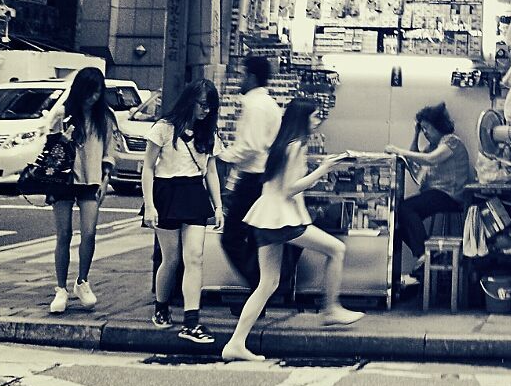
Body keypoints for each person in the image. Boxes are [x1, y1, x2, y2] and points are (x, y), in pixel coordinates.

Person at [222, 98, 363, 361]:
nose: (317, 120)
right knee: (336, 249)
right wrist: (323, 169)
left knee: (268, 283)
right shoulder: (296, 146)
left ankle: (236, 342)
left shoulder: (282, 144)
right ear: (302, 118)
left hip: (268, 217)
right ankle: (330, 308)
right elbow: (290, 188)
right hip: (282, 219)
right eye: (314, 116)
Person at [142, 80, 225, 345]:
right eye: (202, 104)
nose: (206, 111)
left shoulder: (208, 134)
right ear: (189, 100)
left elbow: (211, 172)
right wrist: (150, 205)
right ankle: (161, 305)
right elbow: (147, 167)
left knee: (195, 257)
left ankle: (191, 321)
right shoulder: (164, 129)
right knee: (171, 259)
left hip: (193, 194)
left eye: (211, 106)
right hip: (166, 192)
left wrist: (219, 206)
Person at [47, 67, 118, 314]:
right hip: (63, 180)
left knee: (89, 233)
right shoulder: (62, 113)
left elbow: (109, 152)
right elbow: (49, 149)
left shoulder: (105, 118)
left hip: (91, 179)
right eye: (89, 92)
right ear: (80, 90)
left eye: (97, 92)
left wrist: (105, 178)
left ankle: (82, 281)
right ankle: (60, 289)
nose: (93, 97)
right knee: (63, 234)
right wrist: (64, 138)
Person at [387, 103, 472, 280]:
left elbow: (431, 160)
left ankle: (423, 254)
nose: (425, 132)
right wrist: (415, 133)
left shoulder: (450, 141)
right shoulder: (432, 146)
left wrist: (397, 150)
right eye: (423, 129)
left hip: (450, 195)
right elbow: (413, 160)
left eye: (427, 128)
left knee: (406, 208)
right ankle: (427, 256)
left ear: (438, 125)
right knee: (398, 224)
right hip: (436, 194)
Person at [218, 56, 283, 289]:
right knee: (256, 238)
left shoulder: (255, 106)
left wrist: (224, 156)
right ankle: (260, 291)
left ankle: (258, 288)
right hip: (262, 179)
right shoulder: (270, 105)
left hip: (253, 179)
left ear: (252, 76)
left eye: (242, 74)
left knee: (231, 237)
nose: (239, 79)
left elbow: (251, 147)